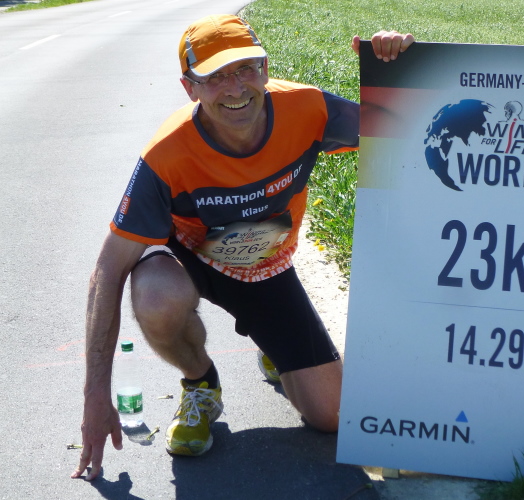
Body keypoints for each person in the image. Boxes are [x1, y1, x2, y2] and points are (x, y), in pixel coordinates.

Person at [70, 14, 414, 481]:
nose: (235, 88)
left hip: (263, 268)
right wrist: (95, 396)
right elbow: (107, 271)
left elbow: (401, 127)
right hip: (185, 261)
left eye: (245, 69)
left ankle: (271, 345)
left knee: (331, 415)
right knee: (155, 297)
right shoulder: (166, 154)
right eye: (215, 77)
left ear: (265, 69)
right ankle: (200, 383)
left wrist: (397, 69)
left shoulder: (306, 108)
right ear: (190, 88)